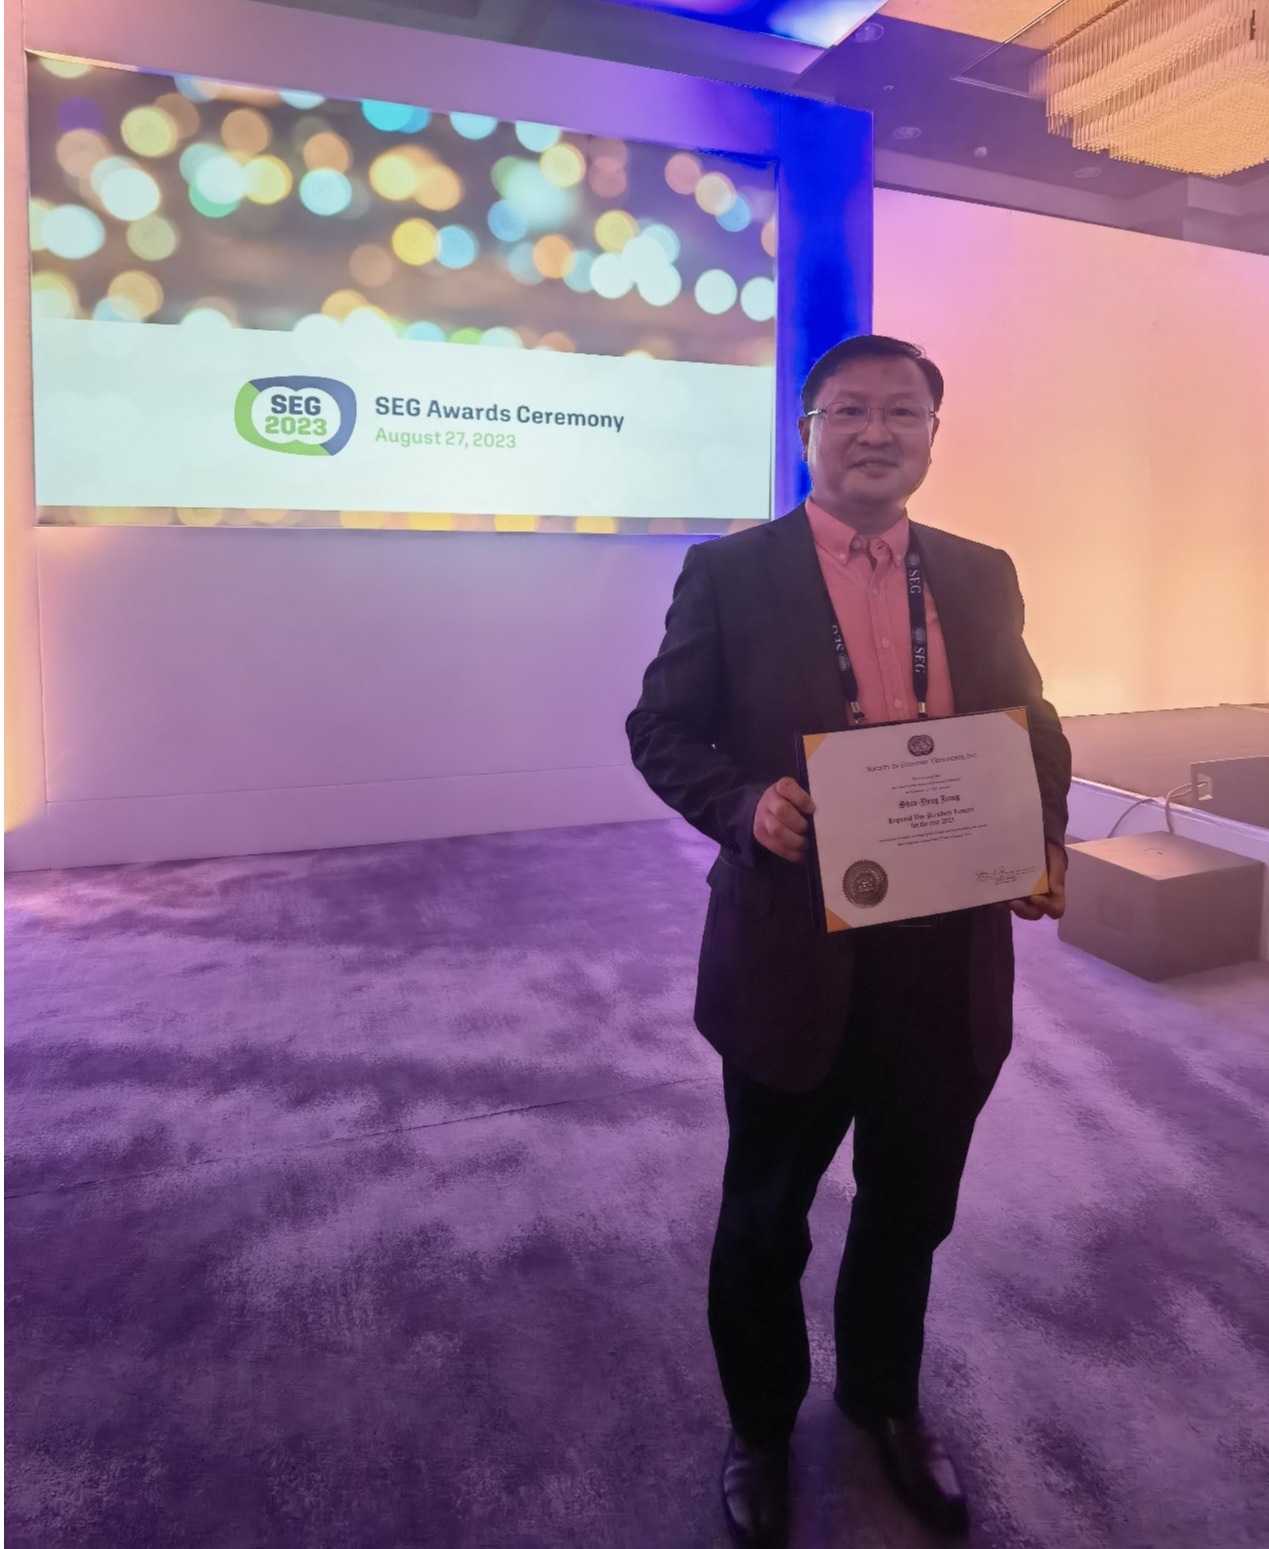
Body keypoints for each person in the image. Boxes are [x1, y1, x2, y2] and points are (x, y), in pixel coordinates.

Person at [626, 335, 1072, 1547]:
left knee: (911, 1203)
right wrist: (743, 806)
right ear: (807, 431)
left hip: (947, 952)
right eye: (851, 411)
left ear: (932, 434)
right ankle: (760, 1428)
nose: (877, 432)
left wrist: (1045, 836)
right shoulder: (729, 573)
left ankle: (882, 1399)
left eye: (903, 412)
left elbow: (1033, 720)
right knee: (765, 1216)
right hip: (796, 951)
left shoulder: (980, 572)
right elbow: (661, 728)